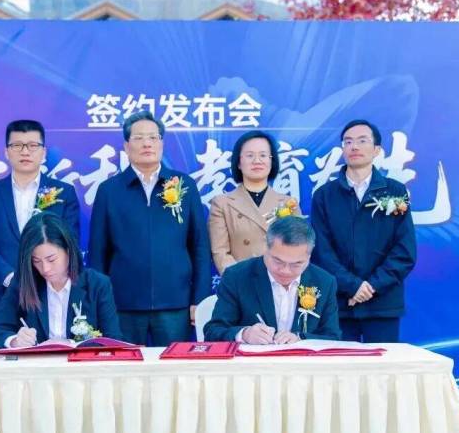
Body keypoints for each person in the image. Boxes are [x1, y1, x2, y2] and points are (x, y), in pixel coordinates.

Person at [88, 110, 211, 346]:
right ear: (126, 146)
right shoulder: (109, 190)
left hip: (175, 303)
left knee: (173, 366)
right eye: (139, 138)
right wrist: (99, 304)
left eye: (153, 137)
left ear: (162, 143)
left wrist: (200, 299)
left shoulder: (184, 185)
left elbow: (200, 247)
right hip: (122, 304)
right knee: (124, 366)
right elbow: (98, 253)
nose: (147, 144)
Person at [310, 119, 416, 343]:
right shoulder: (325, 195)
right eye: (348, 142)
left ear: (377, 150)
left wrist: (371, 286)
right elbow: (321, 251)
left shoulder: (394, 191)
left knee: (383, 365)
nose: (354, 147)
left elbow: (404, 251)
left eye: (362, 141)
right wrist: (352, 286)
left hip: (382, 304)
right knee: (338, 364)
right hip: (338, 303)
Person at [0, 119, 80, 326]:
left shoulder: (64, 193)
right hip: (2, 297)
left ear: (43, 152)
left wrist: (43, 274)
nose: (25, 152)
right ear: (6, 152)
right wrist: (8, 277)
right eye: (17, 145)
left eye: (32, 145)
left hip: (51, 296)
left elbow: (70, 242)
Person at [0, 213, 121, 348]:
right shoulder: (23, 283)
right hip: (37, 361)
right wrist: (15, 341)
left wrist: (71, 345)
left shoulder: (97, 284)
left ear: (68, 250)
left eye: (51, 259)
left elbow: (112, 340)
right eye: (36, 261)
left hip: (80, 362)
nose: (45, 269)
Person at [204, 216, 340, 343]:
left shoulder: (324, 282)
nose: (286, 271)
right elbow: (213, 332)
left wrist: (300, 339)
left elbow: (333, 337)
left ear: (309, 256)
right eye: (278, 261)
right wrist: (244, 334)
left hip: (303, 361)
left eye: (296, 264)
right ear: (265, 247)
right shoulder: (237, 277)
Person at [208, 130, 300, 274]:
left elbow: (299, 248)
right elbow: (220, 253)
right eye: (250, 155)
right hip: (241, 282)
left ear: (272, 161)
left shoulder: (289, 204)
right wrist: (240, 281)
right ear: (239, 162)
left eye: (263, 155)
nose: (257, 161)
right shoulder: (222, 204)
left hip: (281, 280)